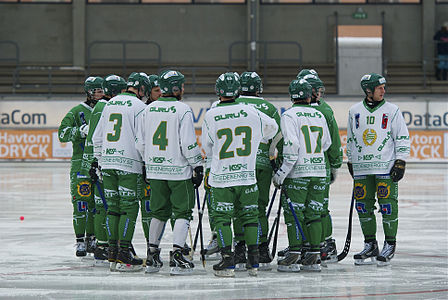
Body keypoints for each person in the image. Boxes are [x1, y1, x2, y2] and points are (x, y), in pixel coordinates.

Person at [202, 72, 278, 277]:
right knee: (251, 217)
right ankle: (253, 261)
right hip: (247, 176)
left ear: (218, 91)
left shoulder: (212, 113)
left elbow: (207, 147)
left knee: (223, 219)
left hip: (222, 177)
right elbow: (273, 128)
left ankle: (228, 260)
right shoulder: (252, 111)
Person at [135, 70, 203, 275]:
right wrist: (197, 165)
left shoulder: (148, 110)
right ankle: (177, 257)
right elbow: (188, 143)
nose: (183, 89)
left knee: (158, 212)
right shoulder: (183, 109)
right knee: (182, 212)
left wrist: (148, 163)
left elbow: (140, 142)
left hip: (155, 170)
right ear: (176, 88)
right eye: (181, 86)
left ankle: (152, 256)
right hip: (178, 171)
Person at [347, 73, 410, 267]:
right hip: (362, 168)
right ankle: (370, 244)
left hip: (385, 166)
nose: (383, 90)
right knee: (363, 207)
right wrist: (350, 160)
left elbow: (402, 137)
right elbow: (350, 137)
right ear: (368, 91)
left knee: (387, 206)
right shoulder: (354, 111)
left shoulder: (392, 110)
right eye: (379, 88)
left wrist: (400, 161)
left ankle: (389, 244)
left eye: (384, 87)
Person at [272, 79, 333, 272]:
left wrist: (281, 173)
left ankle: (294, 255)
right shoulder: (318, 114)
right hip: (319, 171)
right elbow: (326, 144)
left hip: (298, 173)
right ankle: (314, 256)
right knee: (314, 214)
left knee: (294, 215)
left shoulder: (289, 115)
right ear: (309, 95)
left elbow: (291, 148)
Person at [92, 72, 150, 272]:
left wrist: (101, 161)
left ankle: (112, 253)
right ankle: (124, 253)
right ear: (142, 89)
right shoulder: (141, 107)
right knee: (129, 208)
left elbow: (96, 138)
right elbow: (142, 141)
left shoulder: (110, 103)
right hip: (129, 164)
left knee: (113, 209)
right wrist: (145, 164)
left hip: (107, 163)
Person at [232, 71, 282, 271]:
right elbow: (278, 137)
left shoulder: (233, 105)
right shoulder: (269, 108)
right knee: (258, 207)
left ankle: (240, 246)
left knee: (238, 207)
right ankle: (261, 247)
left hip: (241, 163)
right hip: (263, 165)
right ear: (259, 88)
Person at [297, 71, 343, 264]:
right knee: (316, 208)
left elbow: (332, 141)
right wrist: (335, 163)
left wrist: (335, 164)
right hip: (318, 166)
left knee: (317, 208)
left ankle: (324, 243)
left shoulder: (322, 110)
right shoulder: (323, 109)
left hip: (312, 166)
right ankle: (314, 242)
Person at [82, 74, 127, 265]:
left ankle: (103, 245)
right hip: (102, 162)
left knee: (105, 206)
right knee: (104, 206)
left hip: (101, 161)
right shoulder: (104, 106)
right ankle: (102, 246)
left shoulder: (104, 106)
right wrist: (94, 162)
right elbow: (95, 138)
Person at [58, 76, 104, 258]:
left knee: (95, 203)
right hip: (80, 165)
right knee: (81, 202)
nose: (101, 94)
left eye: (102, 91)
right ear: (89, 92)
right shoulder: (77, 111)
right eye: (98, 91)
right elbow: (62, 133)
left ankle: (92, 238)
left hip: (99, 163)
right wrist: (79, 131)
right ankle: (79, 241)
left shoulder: (107, 109)